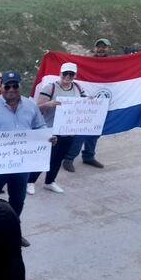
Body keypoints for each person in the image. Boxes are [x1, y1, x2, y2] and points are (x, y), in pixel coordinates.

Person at [0, 71, 54, 247]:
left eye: (15, 85)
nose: (11, 89)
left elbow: (40, 126)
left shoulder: (31, 106)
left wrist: (49, 137)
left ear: (20, 86)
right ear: (1, 87)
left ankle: (13, 232)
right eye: (7, 86)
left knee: (18, 200)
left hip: (22, 166)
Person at [27, 62, 85, 195]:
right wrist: (49, 104)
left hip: (68, 129)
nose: (68, 76)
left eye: (71, 74)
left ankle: (50, 181)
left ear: (75, 75)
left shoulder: (78, 87)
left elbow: (83, 102)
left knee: (59, 157)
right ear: (61, 73)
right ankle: (30, 181)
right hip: (51, 128)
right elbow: (37, 107)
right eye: (66, 73)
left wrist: (91, 101)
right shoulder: (50, 88)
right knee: (45, 157)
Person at [62, 38, 111, 172]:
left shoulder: (114, 63)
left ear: (109, 49)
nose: (101, 49)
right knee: (81, 132)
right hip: (85, 101)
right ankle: (69, 158)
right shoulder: (87, 62)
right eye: (99, 46)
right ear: (95, 48)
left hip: (101, 101)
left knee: (95, 131)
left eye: (104, 47)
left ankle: (89, 156)